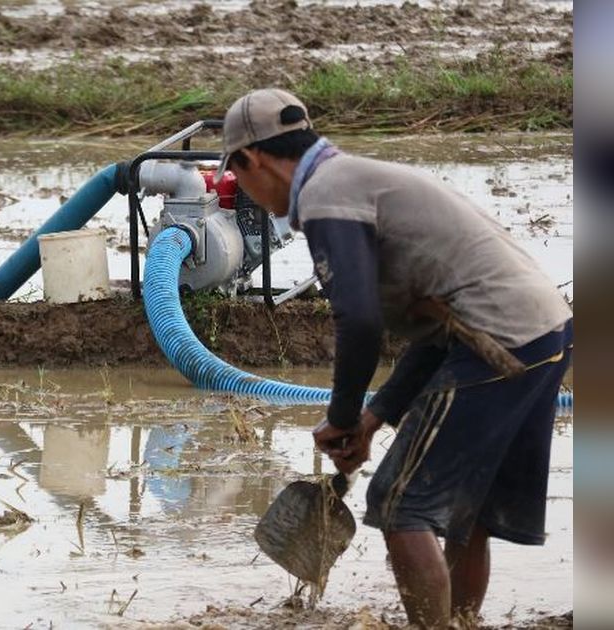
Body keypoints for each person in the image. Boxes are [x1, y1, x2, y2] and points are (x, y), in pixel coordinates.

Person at [217, 88, 573, 628]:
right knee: (463, 511)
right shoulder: (354, 178)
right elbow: (436, 336)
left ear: (253, 158)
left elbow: (357, 320)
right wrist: (371, 419)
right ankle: (460, 623)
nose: (243, 188)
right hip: (541, 333)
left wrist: (340, 419)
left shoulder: (325, 195)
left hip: (497, 338)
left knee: (400, 503)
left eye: (237, 175)